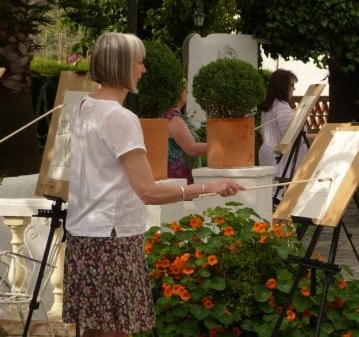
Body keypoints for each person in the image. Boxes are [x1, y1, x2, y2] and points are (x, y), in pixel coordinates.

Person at [63, 32, 244, 337]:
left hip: (86, 235)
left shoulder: (83, 106)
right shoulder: (119, 117)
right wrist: (209, 187)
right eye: (139, 62)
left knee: (95, 331)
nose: (143, 70)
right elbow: (148, 191)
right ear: (122, 66)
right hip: (112, 239)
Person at [258, 69, 308, 184]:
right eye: (291, 85)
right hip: (280, 160)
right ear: (282, 86)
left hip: (270, 155)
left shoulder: (270, 105)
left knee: (269, 196)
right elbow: (292, 137)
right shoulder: (281, 106)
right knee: (279, 197)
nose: (293, 89)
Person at [162, 79, 207, 184]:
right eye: (184, 88)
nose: (187, 91)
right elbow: (192, 148)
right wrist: (222, 146)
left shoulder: (174, 116)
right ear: (176, 92)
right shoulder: (172, 117)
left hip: (180, 174)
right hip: (179, 177)